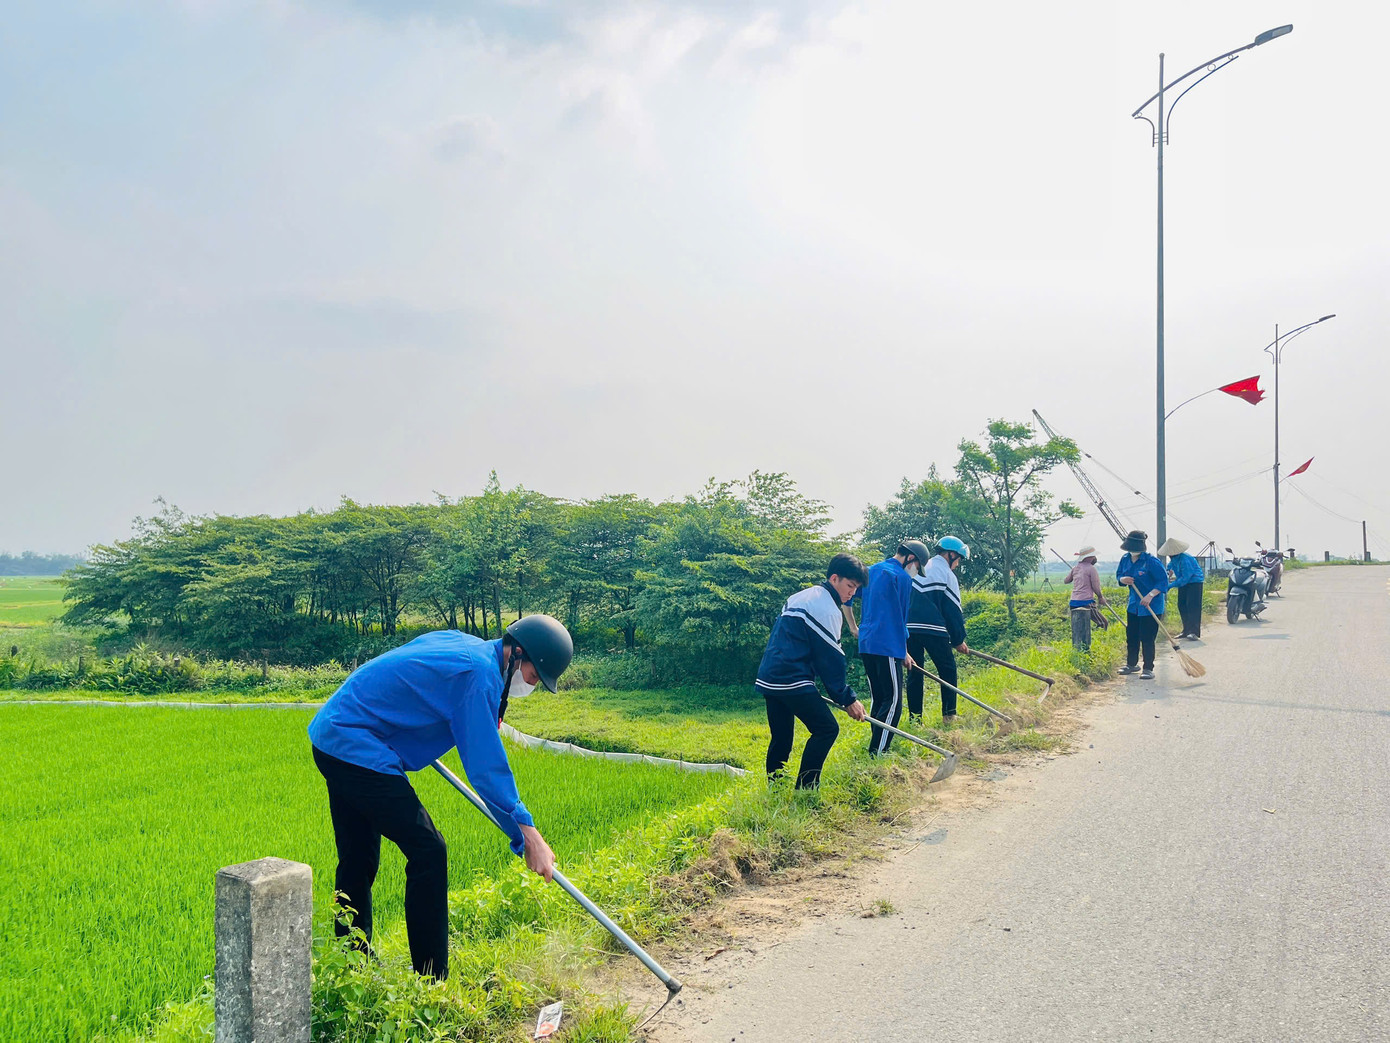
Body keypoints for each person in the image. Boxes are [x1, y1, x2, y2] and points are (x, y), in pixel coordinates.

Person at [307, 614, 574, 980]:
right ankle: (431, 979)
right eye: (533, 677)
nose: (532, 685)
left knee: (357, 859)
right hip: (357, 746)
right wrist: (528, 833)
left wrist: (408, 724)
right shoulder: (477, 676)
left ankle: (350, 966)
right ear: (516, 654)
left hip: (332, 734)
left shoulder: (470, 647)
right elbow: (485, 767)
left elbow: (411, 675)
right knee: (428, 850)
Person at [755, 553, 870, 788]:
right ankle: (806, 789)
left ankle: (774, 789)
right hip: (791, 679)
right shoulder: (826, 609)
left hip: (770, 676)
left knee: (782, 737)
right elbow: (830, 661)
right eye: (850, 586)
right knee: (826, 728)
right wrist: (848, 699)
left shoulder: (801, 596)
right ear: (834, 578)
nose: (852, 593)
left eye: (856, 588)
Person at [857, 540, 928, 754]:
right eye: (917, 566)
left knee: (879, 697)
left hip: (867, 643)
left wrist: (853, 626)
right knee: (894, 700)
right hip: (887, 644)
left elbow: (849, 599)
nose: (915, 571)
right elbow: (900, 617)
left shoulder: (871, 570)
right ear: (911, 559)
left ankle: (875, 747)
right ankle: (878, 753)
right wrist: (902, 650)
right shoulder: (902, 577)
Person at [906, 536, 970, 725]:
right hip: (933, 629)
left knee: (915, 672)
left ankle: (915, 719)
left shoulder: (920, 569)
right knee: (948, 669)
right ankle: (949, 715)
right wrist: (958, 640)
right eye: (958, 559)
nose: (957, 564)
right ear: (950, 555)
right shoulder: (947, 574)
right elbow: (952, 612)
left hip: (909, 629)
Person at [1115, 530, 1169, 680]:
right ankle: (1131, 664)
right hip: (1133, 605)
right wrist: (1123, 579)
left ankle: (1148, 668)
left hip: (1151, 606)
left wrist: (1150, 595)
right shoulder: (1125, 559)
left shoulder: (1151, 562)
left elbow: (1163, 582)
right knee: (1131, 636)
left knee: (1147, 637)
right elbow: (1119, 575)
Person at [1159, 537, 1204, 640]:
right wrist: (1167, 572)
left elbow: (1185, 578)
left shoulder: (1185, 559)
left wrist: (1170, 585)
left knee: (1192, 606)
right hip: (1183, 583)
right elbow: (1169, 567)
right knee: (1182, 605)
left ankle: (1194, 632)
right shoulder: (1174, 560)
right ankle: (1186, 630)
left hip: (1194, 583)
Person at [1064, 545, 1108, 651]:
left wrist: (1075, 573)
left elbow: (1066, 580)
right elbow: (1095, 586)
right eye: (1093, 556)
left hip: (1073, 602)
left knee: (1080, 626)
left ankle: (1081, 647)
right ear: (1089, 558)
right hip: (1086, 602)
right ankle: (1103, 643)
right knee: (1103, 623)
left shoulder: (1075, 568)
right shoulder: (1091, 569)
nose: (1094, 558)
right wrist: (1101, 597)